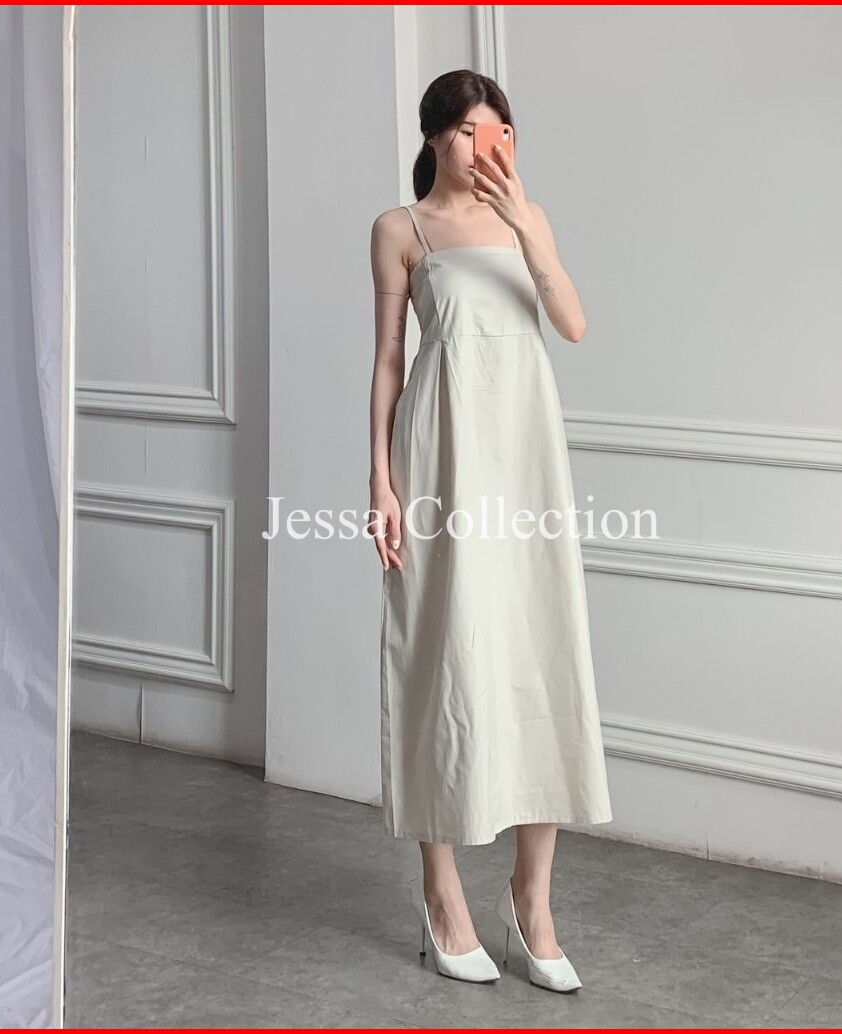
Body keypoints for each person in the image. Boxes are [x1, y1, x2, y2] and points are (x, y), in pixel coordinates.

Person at [367, 70, 612, 993]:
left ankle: (531, 900)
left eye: (500, 129)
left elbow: (573, 324)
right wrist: (381, 478)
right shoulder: (401, 229)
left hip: (525, 454)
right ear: (435, 137)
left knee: (541, 653)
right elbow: (389, 358)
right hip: (440, 456)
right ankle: (442, 896)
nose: (487, 146)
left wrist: (525, 228)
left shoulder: (527, 216)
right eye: (471, 130)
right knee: (440, 654)